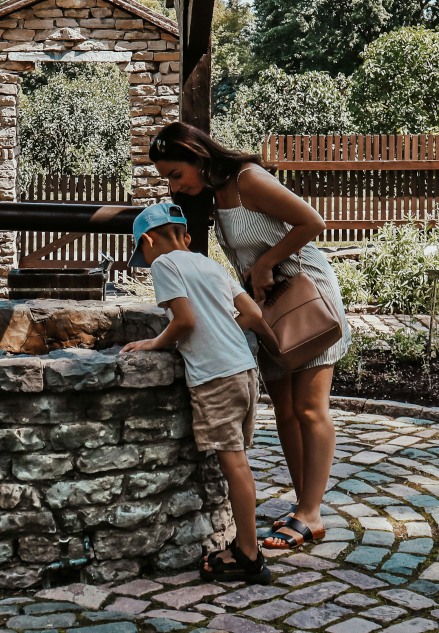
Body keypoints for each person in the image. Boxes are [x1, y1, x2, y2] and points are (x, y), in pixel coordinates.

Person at [148, 122, 349, 552]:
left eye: (174, 174)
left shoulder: (248, 179)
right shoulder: (212, 197)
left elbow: (312, 222)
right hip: (267, 306)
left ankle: (311, 514)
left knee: (310, 408)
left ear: (197, 158)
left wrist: (265, 263)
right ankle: (302, 506)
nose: (173, 185)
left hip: (304, 296)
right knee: (285, 409)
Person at [120, 202, 273, 584]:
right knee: (240, 462)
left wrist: (155, 343)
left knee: (233, 464)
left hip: (216, 376)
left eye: (144, 251)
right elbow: (252, 314)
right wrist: (222, 330)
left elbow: (185, 321)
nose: (147, 258)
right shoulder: (210, 265)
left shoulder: (163, 264)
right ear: (186, 236)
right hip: (243, 369)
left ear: (147, 240)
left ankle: (249, 555)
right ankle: (247, 546)